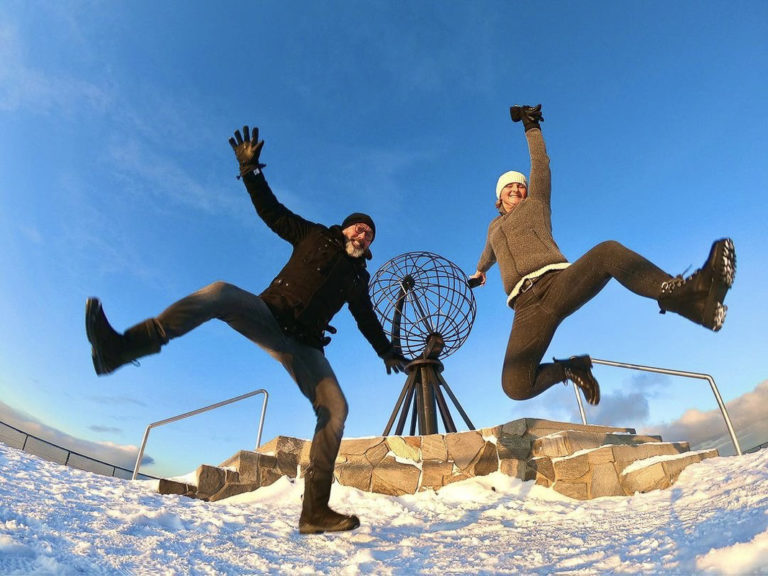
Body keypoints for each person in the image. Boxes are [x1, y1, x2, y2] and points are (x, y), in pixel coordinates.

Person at [85, 125, 406, 535]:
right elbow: (272, 212)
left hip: (305, 347)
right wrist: (251, 171)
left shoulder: (359, 279)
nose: (362, 234)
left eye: (369, 233)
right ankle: (120, 349)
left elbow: (367, 320)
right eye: (358, 228)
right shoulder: (312, 236)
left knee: (336, 410)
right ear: (344, 228)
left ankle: (314, 512)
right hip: (268, 315)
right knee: (219, 293)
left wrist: (386, 351)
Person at [469, 105, 736, 406]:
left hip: (556, 284)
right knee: (515, 385)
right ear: (499, 196)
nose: (516, 188)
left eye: (520, 185)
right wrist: (480, 272)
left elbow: (540, 165)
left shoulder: (537, 204)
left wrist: (531, 127)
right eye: (509, 187)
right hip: (525, 308)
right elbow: (488, 254)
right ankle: (571, 368)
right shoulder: (493, 228)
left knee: (606, 251)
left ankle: (684, 295)